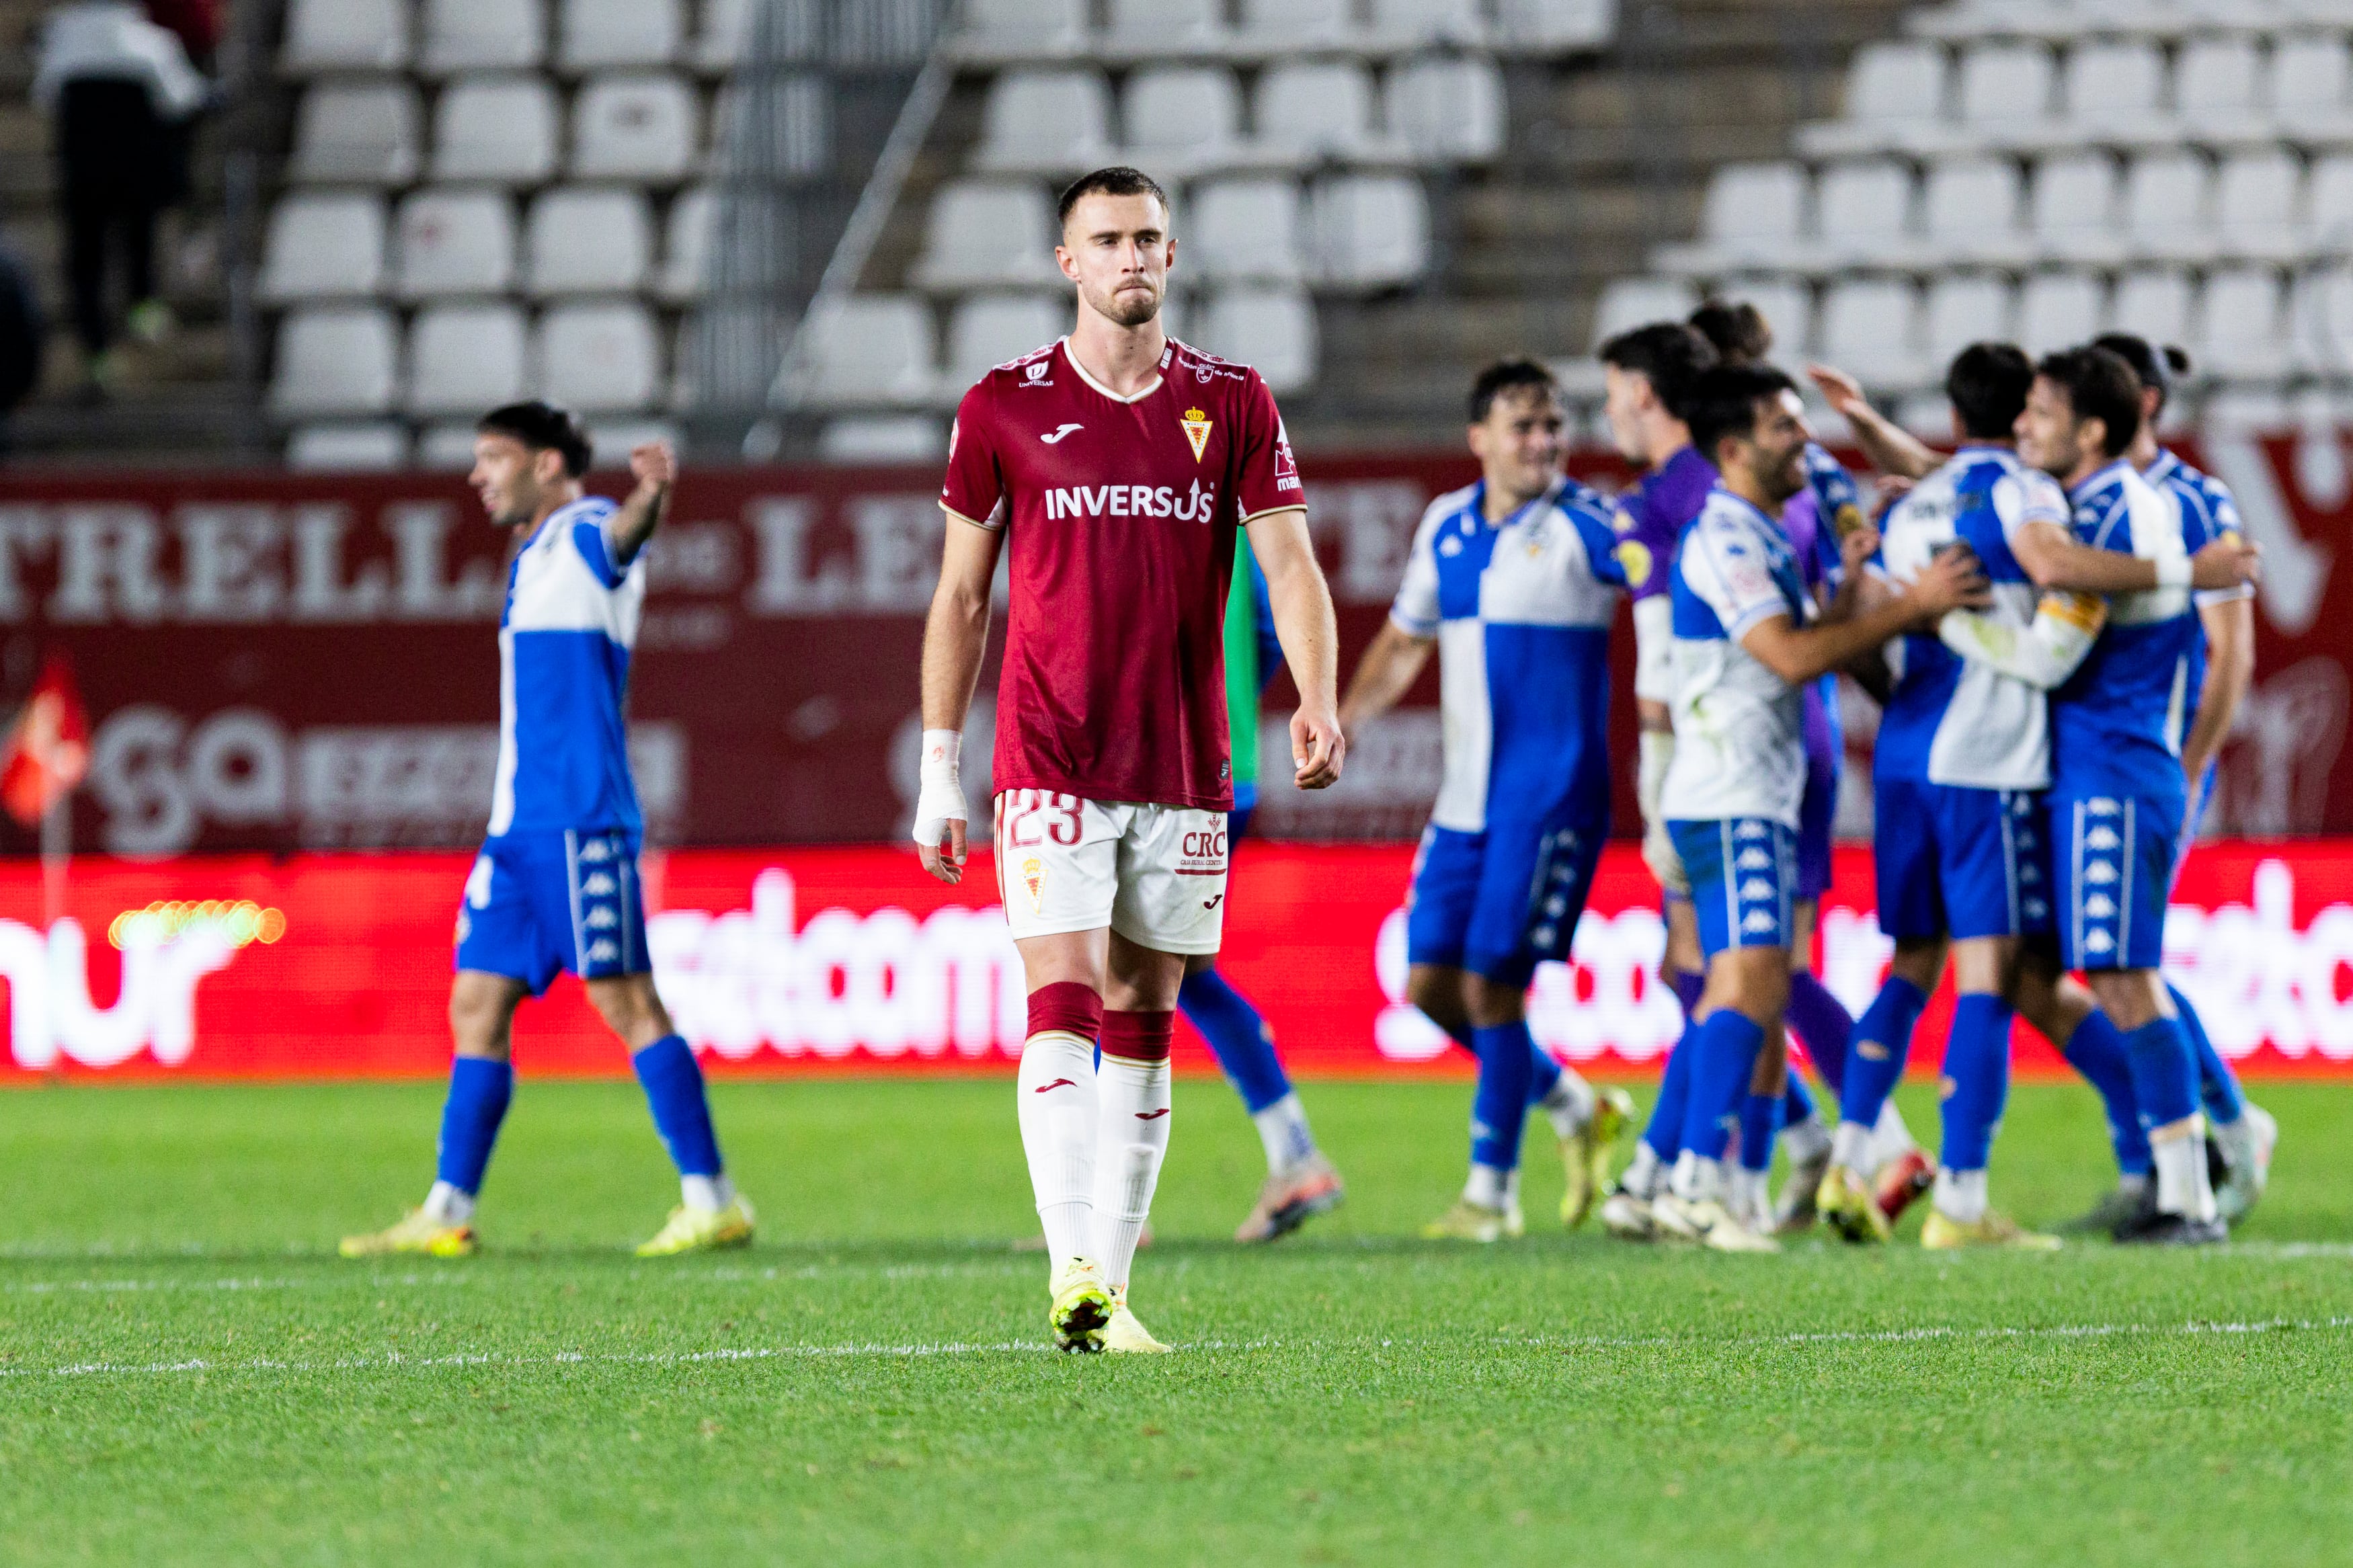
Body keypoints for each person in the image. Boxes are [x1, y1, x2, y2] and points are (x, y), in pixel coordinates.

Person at [914, 166, 1345, 1352]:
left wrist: (1316, 694)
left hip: (1187, 762)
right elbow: (961, 598)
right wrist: (939, 767)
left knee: (1148, 1009)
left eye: (1149, 238)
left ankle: (1109, 1282)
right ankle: (1075, 1269)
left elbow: (1294, 565)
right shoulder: (1001, 406)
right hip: (1050, 752)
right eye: (1107, 240)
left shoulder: (1235, 400)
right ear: (1068, 262)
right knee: (1062, 995)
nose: (1133, 259)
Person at [344, 404, 754, 1260]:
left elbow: (626, 536)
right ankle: (448, 1207)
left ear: (544, 464)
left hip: (577, 821)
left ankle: (712, 1198)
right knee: (475, 1004)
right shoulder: (534, 553)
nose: (477, 475)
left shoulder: (586, 529)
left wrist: (652, 495)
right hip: (516, 832)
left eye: (492, 458)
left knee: (625, 1001)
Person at [1644, 362, 1989, 1253]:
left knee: (1743, 981)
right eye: (1783, 427)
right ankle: (1693, 1184)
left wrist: (1850, 590)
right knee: (1753, 978)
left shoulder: (1754, 531)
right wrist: (1911, 604)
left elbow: (1809, 641)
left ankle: (1711, 1185)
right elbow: (1790, 660)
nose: (1803, 439)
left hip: (1741, 790)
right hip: (1734, 796)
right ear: (1732, 448)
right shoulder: (1724, 539)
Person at [1337, 358, 1634, 1243]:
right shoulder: (1447, 527)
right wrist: (1342, 721)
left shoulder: (1589, 527)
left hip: (1548, 801)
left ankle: (1492, 1195)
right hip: (1463, 803)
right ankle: (1576, 1103)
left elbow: (1669, 595)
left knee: (1492, 991)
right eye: (1524, 426)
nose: (1544, 442)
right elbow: (1402, 640)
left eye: (1555, 426)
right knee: (1429, 986)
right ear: (1480, 440)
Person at [1814, 343, 2098, 1249]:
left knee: (1909, 968)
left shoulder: (1910, 509)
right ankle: (1965, 1205)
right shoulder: (2026, 492)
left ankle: (1847, 1164)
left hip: (1903, 754)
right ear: (2025, 415)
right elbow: (2050, 566)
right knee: (1987, 974)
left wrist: (1867, 428)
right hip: (1988, 759)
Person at [2009, 347, 2261, 1244]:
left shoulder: (2122, 508)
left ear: (2092, 429)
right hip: (2102, 768)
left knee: (2125, 975)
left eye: (2040, 412)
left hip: (2120, 768)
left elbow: (2061, 597)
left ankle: (2193, 1190)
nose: (2023, 427)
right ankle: (2183, 1176)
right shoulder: (2106, 500)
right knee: (2114, 972)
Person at [2082, 333, 2276, 1229]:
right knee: (2101, 960)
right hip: (2085, 761)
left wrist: (2192, 763)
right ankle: (2156, 1156)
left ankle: (2228, 1126)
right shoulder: (2072, 496)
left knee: (2129, 957)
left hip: (2151, 759)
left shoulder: (2198, 502)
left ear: (2140, 403)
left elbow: (2231, 653)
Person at [1187, 535, 1347, 1243]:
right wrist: (1226, 699)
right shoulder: (1236, 496)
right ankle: (1294, 1154)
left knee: (1107, 965)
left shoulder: (1135, 471)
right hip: (1230, 765)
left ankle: (1093, 1199)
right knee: (1177, 970)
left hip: (1168, 772)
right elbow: (1263, 622)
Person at [33, 1, 207, 397]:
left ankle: (97, 353)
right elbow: (182, 100)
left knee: (87, 260)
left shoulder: (64, 44)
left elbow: (46, 98)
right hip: (133, 174)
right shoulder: (151, 44)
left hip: (84, 176)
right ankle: (141, 308)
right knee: (135, 238)